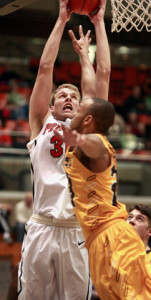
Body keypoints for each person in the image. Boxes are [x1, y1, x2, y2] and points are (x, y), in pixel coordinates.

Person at [54, 10, 151, 300]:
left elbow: (96, 147)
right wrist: (84, 55)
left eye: (81, 108)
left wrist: (80, 139)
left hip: (112, 237)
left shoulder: (93, 142)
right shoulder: (87, 133)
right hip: (97, 240)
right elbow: (97, 80)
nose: (76, 106)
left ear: (87, 120)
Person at [17, 0, 111, 298]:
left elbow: (104, 74)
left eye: (74, 94)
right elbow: (45, 67)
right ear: (51, 103)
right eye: (62, 95)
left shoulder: (88, 125)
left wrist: (97, 29)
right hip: (42, 226)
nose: (69, 97)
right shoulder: (40, 122)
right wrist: (61, 19)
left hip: (76, 231)